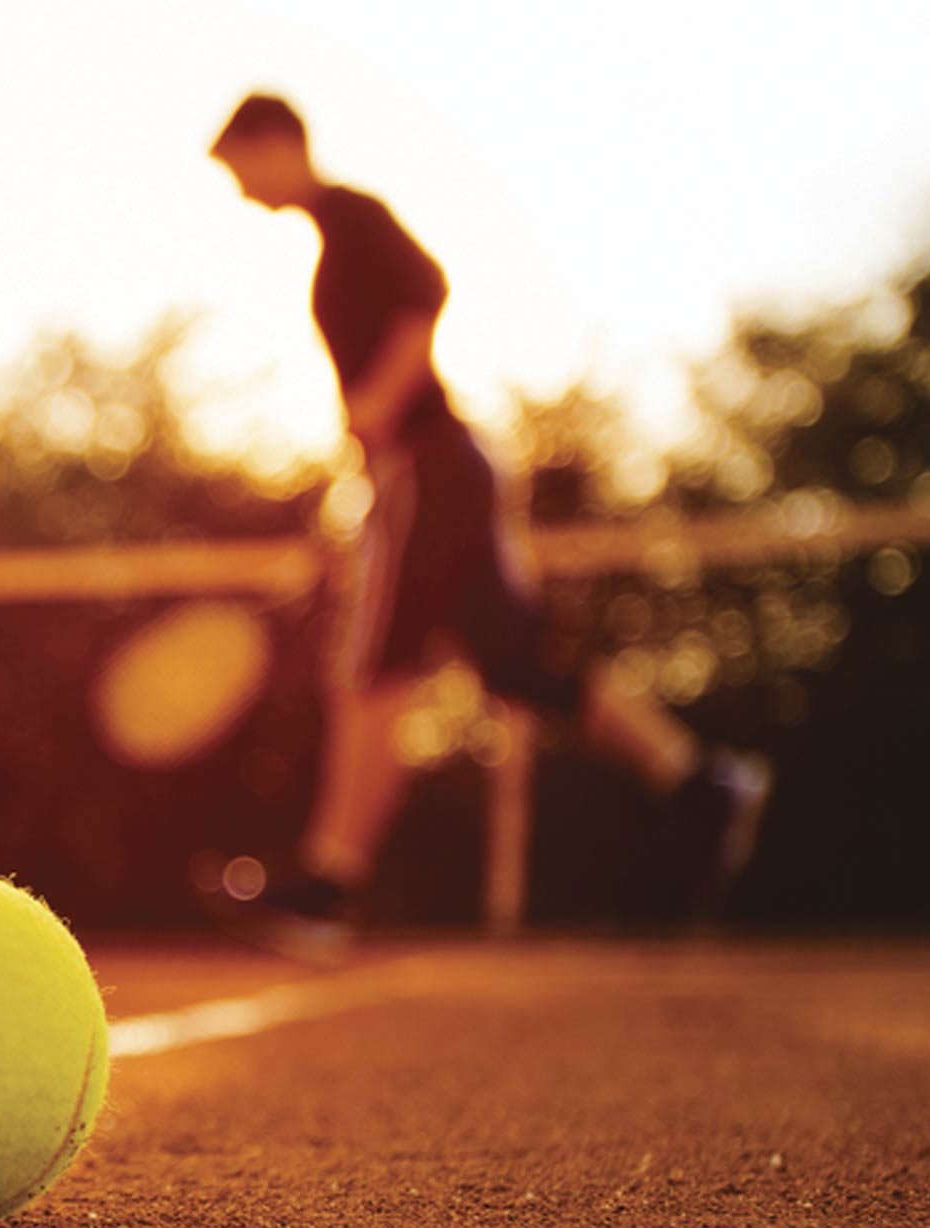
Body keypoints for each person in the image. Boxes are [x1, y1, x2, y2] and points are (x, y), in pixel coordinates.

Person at [207, 92, 769, 934]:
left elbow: (426, 292)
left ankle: (331, 879)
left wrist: (379, 403)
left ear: (276, 143)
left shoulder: (353, 218)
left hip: (430, 467)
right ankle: (700, 783)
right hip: (441, 469)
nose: (242, 190)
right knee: (517, 662)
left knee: (375, 666)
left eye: (240, 167)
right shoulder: (336, 236)